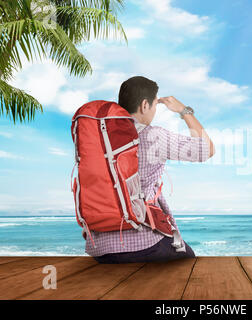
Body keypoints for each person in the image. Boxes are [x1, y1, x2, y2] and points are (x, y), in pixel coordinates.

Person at [88, 76, 215, 264]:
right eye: (155, 105)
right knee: (190, 261)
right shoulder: (153, 135)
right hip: (143, 244)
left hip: (100, 248)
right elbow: (206, 150)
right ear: (144, 105)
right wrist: (183, 110)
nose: (154, 111)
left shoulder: (96, 140)